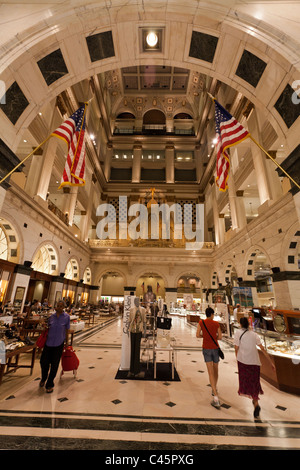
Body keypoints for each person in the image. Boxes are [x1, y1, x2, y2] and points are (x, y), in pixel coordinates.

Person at [234, 317, 275, 419]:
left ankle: (255, 402)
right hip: (254, 362)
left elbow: (236, 347)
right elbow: (262, 348)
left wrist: (237, 357)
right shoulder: (254, 335)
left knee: (246, 382)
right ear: (248, 324)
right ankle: (255, 402)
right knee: (254, 382)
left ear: (240, 324)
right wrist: (271, 362)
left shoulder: (238, 333)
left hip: (243, 361)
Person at [39, 300, 70, 393]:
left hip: (59, 343)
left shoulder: (66, 317)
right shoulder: (51, 317)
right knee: (43, 362)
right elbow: (48, 327)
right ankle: (44, 377)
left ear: (64, 307)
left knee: (54, 364)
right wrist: (44, 325)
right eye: (58, 306)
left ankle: (49, 383)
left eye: (61, 306)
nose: (59, 308)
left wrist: (67, 341)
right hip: (48, 343)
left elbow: (67, 329)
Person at [196, 307, 222, 409]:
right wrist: (213, 336)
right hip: (215, 348)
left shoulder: (201, 323)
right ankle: (214, 388)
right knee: (216, 370)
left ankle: (215, 397)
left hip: (206, 349)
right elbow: (220, 337)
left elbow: (197, 335)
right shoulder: (216, 324)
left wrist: (205, 336)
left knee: (210, 372)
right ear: (211, 314)